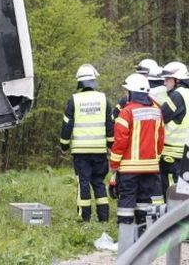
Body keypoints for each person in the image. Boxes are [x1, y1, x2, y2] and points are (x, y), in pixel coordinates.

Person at [110, 74, 164, 240]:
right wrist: (156, 158)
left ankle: (125, 236)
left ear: (133, 93)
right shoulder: (157, 112)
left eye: (127, 91)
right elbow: (160, 139)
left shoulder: (126, 113)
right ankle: (142, 235)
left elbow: (120, 141)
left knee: (127, 201)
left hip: (129, 167)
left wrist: (114, 164)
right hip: (151, 167)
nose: (126, 94)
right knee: (144, 201)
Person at [60, 64, 113, 222]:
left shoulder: (74, 100)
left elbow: (67, 124)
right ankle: (103, 218)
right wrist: (111, 146)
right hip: (99, 151)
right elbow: (110, 126)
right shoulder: (104, 99)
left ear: (79, 82)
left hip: (80, 152)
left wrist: (64, 145)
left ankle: (85, 218)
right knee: (98, 182)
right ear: (93, 81)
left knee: (83, 182)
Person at [159, 61, 189, 197]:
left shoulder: (177, 95)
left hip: (172, 151)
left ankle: (171, 216)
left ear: (177, 80)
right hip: (185, 150)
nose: (165, 83)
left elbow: (161, 116)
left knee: (171, 188)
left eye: (167, 79)